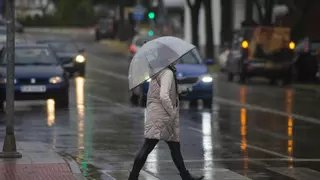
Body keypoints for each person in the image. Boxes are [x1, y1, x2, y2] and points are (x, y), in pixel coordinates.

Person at [128, 63, 204, 180]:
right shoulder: (167, 73)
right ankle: (133, 177)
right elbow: (163, 95)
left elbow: (163, 90)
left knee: (174, 147)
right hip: (162, 116)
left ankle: (185, 176)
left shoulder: (159, 71)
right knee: (148, 146)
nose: (176, 61)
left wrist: (179, 90)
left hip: (159, 115)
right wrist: (172, 111)